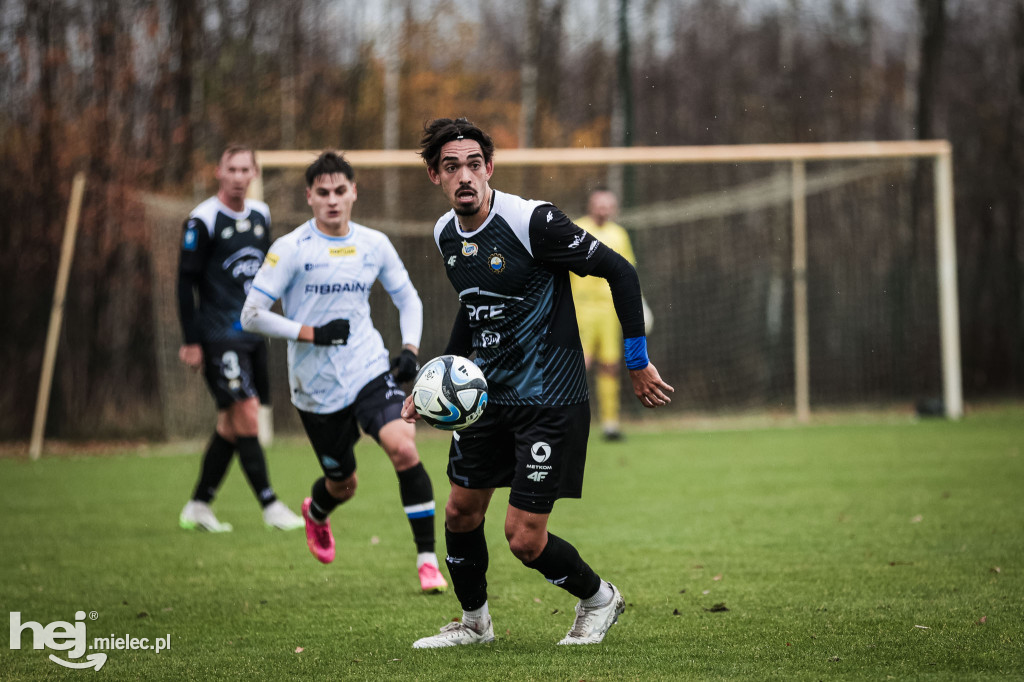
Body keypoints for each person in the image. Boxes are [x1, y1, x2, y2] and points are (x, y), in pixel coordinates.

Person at [406, 118, 674, 648]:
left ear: (490, 169)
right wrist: (435, 380)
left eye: (475, 165)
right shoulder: (445, 234)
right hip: (485, 401)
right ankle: (474, 623)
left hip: (549, 399)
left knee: (524, 539)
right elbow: (472, 307)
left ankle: (600, 598)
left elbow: (621, 271)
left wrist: (636, 359)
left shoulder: (533, 221)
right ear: (435, 174)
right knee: (461, 512)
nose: (466, 176)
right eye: (452, 166)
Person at [240, 151, 448, 594]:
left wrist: (410, 349)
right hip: (315, 388)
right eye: (323, 193)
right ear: (310, 198)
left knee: (404, 448)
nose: (332, 200)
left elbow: (408, 298)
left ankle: (428, 561)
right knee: (343, 483)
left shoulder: (373, 244)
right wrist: (311, 332)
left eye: (340, 191)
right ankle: (316, 512)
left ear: (354, 192)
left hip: (368, 368)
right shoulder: (292, 249)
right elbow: (251, 315)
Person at [177, 144, 303, 533]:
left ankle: (199, 504)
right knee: (246, 413)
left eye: (244, 169)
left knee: (232, 424)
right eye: (231, 168)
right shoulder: (203, 220)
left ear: (254, 173)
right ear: (219, 172)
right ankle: (270, 505)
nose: (237, 175)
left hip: (252, 332)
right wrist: (191, 339)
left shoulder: (261, 215)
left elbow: (267, 273)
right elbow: (185, 282)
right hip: (217, 334)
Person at [570, 188, 637, 442]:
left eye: (608, 205)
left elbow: (628, 272)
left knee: (610, 366)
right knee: (578, 366)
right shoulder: (577, 229)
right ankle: (569, 420)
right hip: (581, 308)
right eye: (599, 204)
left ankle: (610, 423)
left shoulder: (619, 234)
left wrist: (639, 302)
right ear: (590, 205)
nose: (603, 209)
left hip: (610, 310)